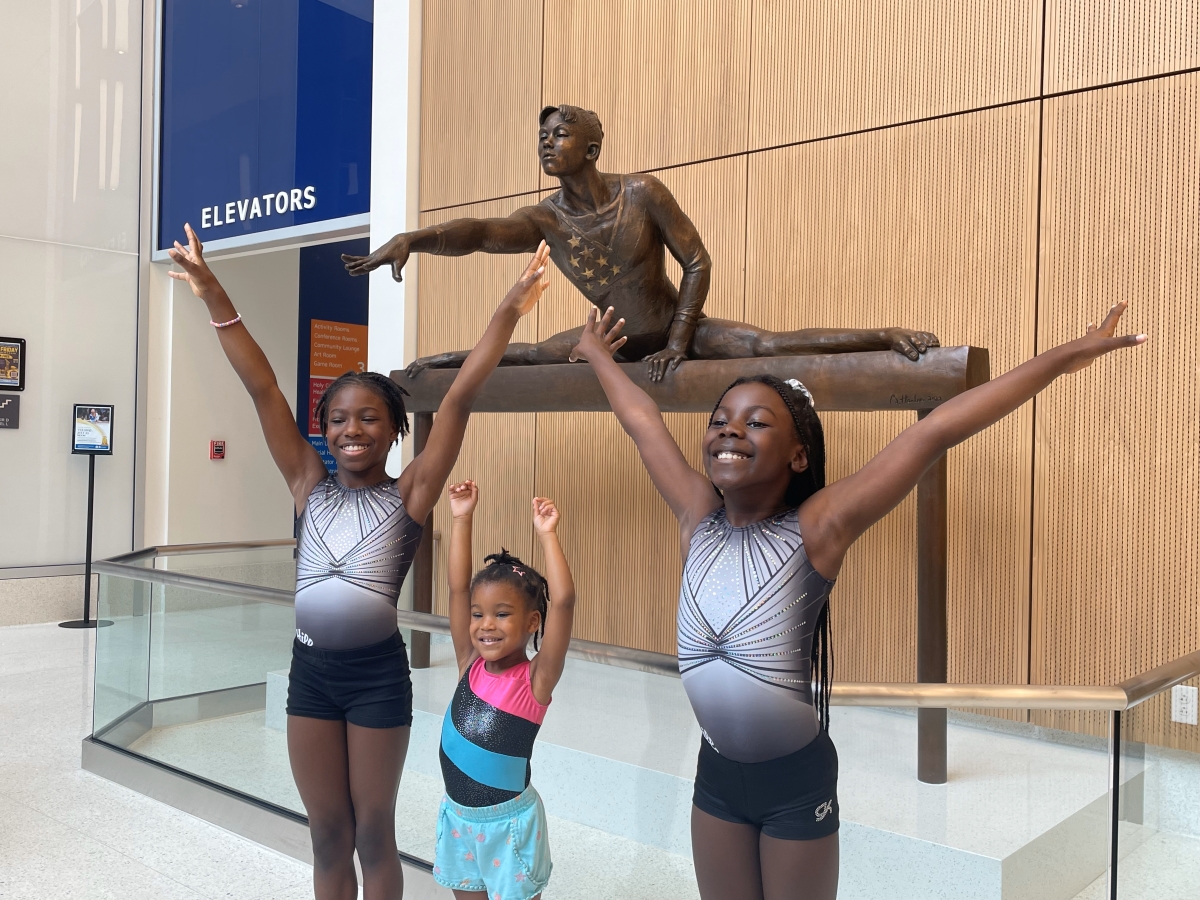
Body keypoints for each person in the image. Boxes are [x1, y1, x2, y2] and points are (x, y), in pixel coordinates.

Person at [568, 302, 1146, 899]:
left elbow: (934, 431)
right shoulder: (697, 516)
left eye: (757, 422)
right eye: (721, 419)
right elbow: (641, 418)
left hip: (794, 781)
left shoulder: (818, 527)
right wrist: (596, 355)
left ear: (798, 456)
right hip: (716, 777)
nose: (730, 429)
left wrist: (1063, 358)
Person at [167, 223, 552, 900]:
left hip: (377, 679)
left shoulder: (411, 495)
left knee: (373, 832)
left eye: (370, 418)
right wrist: (210, 289)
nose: (352, 430)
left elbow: (459, 396)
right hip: (310, 676)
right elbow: (263, 390)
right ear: (324, 428)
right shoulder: (306, 486)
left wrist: (508, 311)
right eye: (339, 418)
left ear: (396, 429)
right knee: (326, 834)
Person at [343, 104, 940, 381]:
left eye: (561, 135)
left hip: (676, 331)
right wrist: (414, 239)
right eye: (543, 137)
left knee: (767, 345)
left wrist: (679, 342)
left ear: (592, 148)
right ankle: (437, 360)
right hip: (614, 342)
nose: (548, 144)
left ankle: (887, 335)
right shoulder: (545, 218)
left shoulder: (642, 193)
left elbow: (698, 263)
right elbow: (477, 234)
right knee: (525, 355)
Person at [433, 480, 575, 900]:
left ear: (532, 622)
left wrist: (548, 535)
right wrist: (461, 518)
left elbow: (563, 603)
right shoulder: (469, 666)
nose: (485, 624)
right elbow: (458, 589)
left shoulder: (535, 681)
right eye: (478, 615)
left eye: (502, 614)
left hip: (508, 826)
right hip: (458, 818)